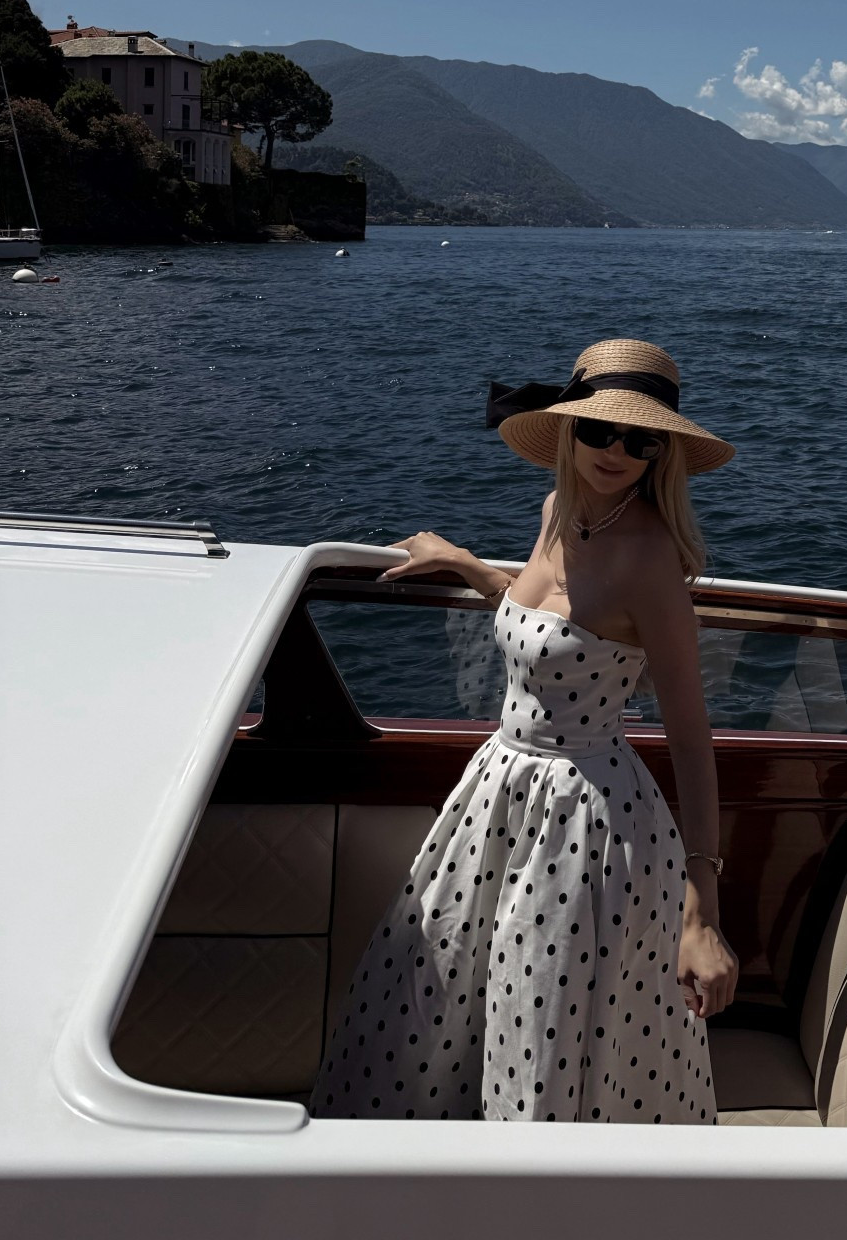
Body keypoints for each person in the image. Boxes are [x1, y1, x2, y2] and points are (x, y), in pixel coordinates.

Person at [311, 338, 738, 1123]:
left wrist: (700, 915)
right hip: (499, 794)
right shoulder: (558, 514)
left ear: (662, 453)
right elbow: (549, 613)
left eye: (641, 440)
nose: (617, 453)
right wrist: (467, 563)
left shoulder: (651, 560)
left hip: (588, 826)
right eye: (599, 432)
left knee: (539, 1020)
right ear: (568, 431)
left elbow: (690, 736)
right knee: (437, 991)